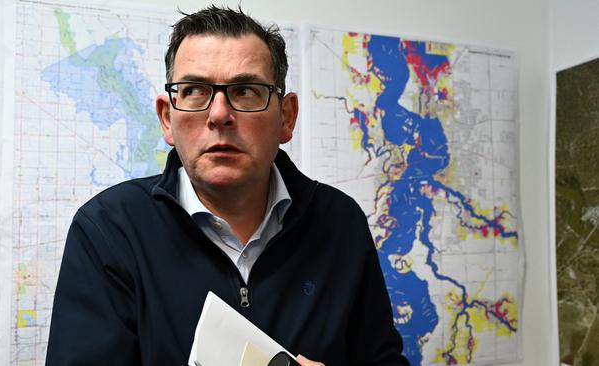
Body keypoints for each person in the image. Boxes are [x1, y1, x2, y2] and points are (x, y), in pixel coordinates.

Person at [46, 6, 409, 366]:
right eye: (194, 90)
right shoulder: (109, 230)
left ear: (286, 117)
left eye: (246, 90)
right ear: (166, 119)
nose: (219, 114)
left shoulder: (340, 222)